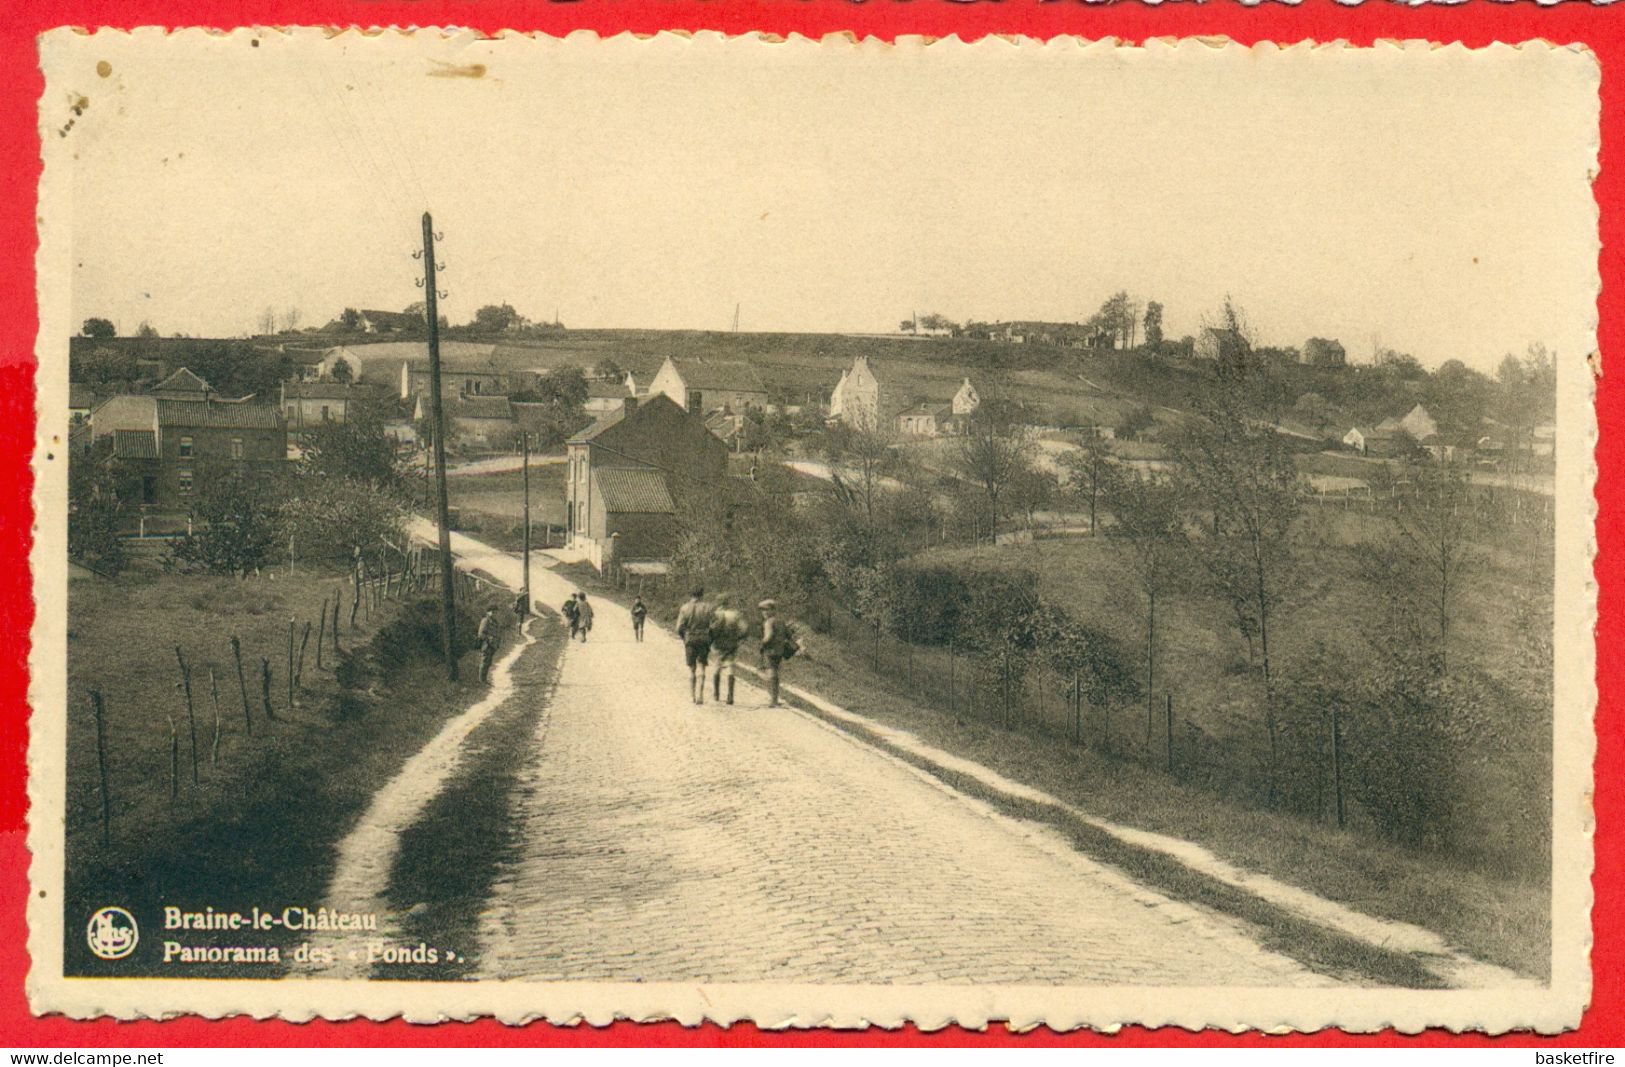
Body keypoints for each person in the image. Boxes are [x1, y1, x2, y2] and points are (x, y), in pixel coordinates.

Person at [675, 586, 715, 704]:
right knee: (702, 666)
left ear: (691, 595)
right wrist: (710, 637)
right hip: (704, 639)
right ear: (702, 595)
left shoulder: (685, 608)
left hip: (690, 639)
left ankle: (691, 696)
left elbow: (679, 628)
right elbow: (714, 625)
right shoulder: (708, 608)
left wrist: (684, 637)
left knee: (692, 669)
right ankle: (700, 696)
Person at [758, 598, 798, 708]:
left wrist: (762, 642)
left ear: (772, 610)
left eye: (766, 610)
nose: (764, 613)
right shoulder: (781, 621)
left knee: (770, 673)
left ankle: (773, 700)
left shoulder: (768, 622)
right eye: (762, 610)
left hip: (770, 650)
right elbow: (789, 635)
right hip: (780, 651)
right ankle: (774, 698)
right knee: (774, 673)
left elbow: (768, 637)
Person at [708, 593, 747, 705]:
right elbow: (744, 629)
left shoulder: (715, 614)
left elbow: (710, 629)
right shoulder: (735, 614)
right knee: (730, 667)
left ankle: (716, 694)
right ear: (728, 602)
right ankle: (730, 695)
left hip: (717, 644)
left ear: (718, 602)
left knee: (717, 666)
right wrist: (738, 638)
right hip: (731, 644)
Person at [477, 608, 498, 684]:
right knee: (484, 662)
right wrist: (488, 638)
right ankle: (481, 681)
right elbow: (480, 634)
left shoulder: (494, 621)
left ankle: (484, 680)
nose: (494, 613)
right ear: (488, 612)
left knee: (488, 662)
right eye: (492, 612)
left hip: (492, 645)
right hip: (486, 645)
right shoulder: (485, 620)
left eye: (495, 612)